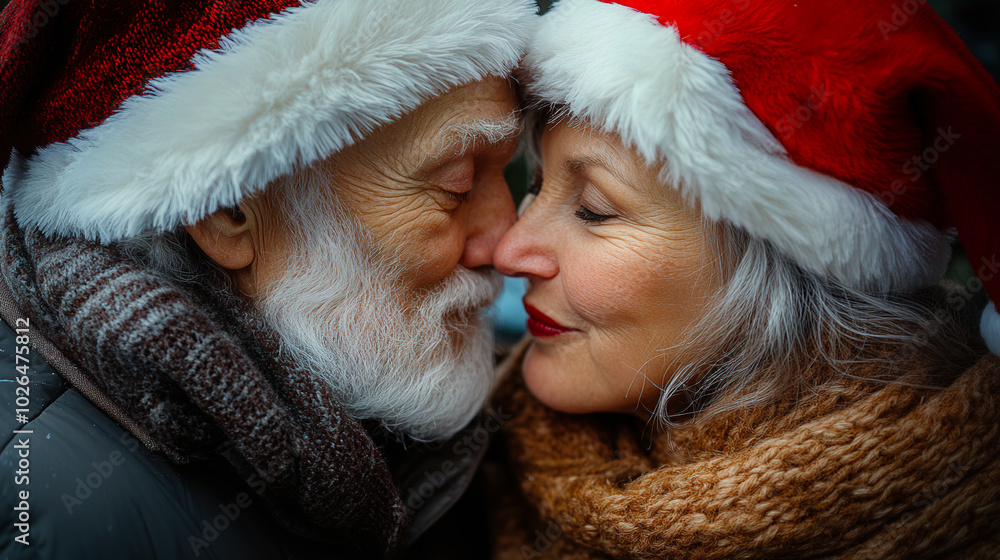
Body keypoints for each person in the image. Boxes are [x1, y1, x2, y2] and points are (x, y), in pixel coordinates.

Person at [0, 0, 536, 558]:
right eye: (458, 185)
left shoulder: (444, 428)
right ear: (227, 212)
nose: (509, 242)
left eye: (515, 173)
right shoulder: (51, 513)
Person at [489, 0, 1000, 557]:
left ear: (783, 277)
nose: (509, 249)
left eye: (592, 209)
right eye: (536, 186)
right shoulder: (478, 472)